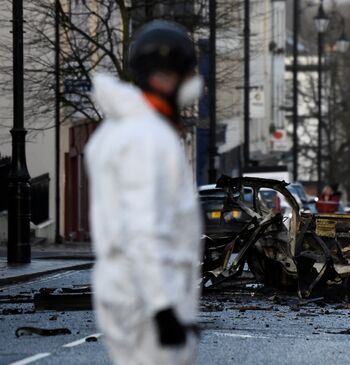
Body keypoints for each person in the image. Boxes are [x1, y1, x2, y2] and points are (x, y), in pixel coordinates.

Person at [85, 20, 204, 365]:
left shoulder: (117, 130)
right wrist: (163, 308)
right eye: (187, 72)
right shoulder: (148, 138)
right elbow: (144, 229)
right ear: (166, 77)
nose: (193, 82)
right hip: (145, 294)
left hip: (126, 288)